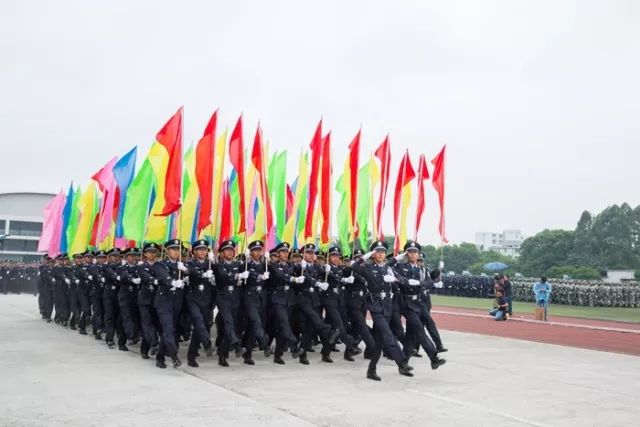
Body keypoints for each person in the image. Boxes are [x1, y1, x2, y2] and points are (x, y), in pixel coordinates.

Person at [352, 240, 414, 381]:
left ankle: (371, 370)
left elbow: (401, 276)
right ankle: (402, 362)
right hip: (376, 307)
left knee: (379, 342)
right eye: (377, 252)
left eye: (382, 252)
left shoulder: (387, 268)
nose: (380, 254)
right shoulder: (367, 268)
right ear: (373, 254)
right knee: (388, 334)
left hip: (388, 306)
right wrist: (365, 257)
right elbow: (354, 268)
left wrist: (397, 279)